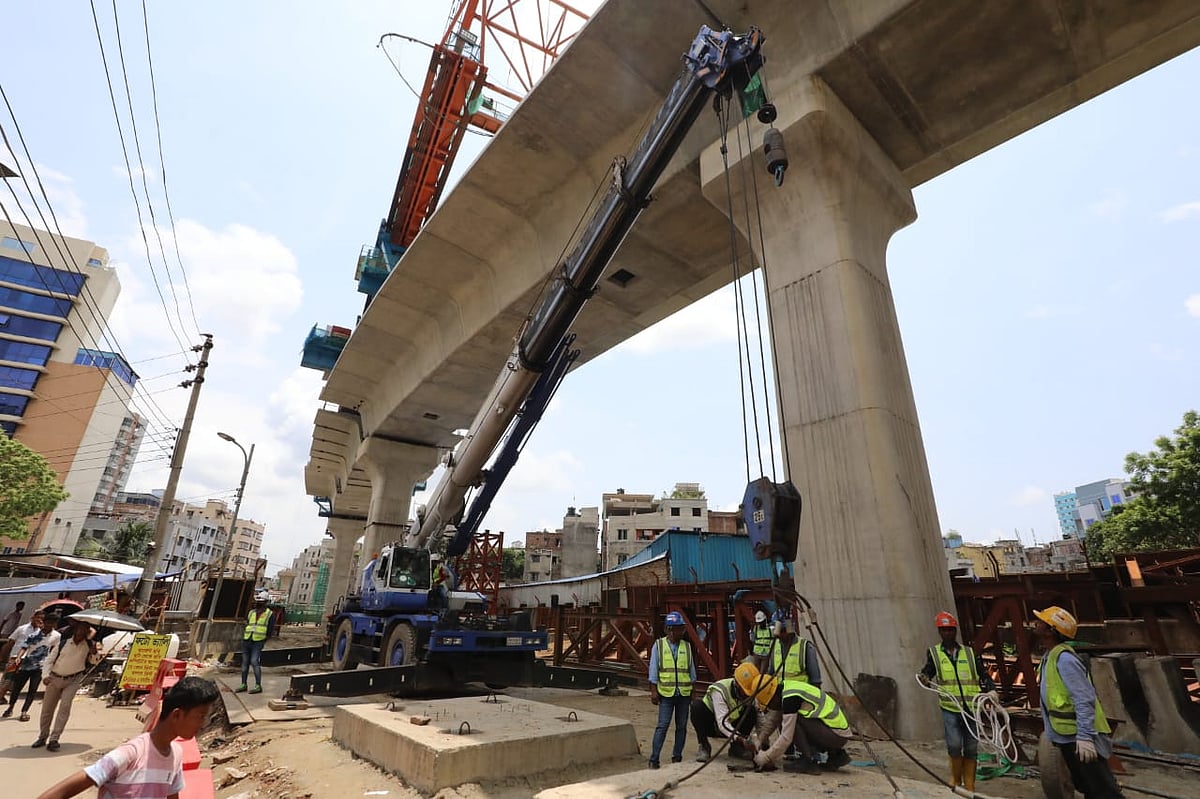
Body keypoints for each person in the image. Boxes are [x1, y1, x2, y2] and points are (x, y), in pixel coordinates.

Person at [35, 676, 221, 799]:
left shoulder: (176, 755)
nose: (203, 723)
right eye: (200, 715)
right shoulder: (131, 753)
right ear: (177, 715)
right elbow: (59, 792)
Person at [1034, 606, 1124, 799]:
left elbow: (1084, 699)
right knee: (1088, 787)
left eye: (1041, 622)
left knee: (1103, 791)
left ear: (1051, 631)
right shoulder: (1049, 657)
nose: (1036, 624)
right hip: (1066, 735)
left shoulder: (1065, 660)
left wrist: (1085, 736)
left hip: (1079, 737)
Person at [917, 610, 996, 792]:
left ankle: (969, 784)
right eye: (944, 630)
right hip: (950, 707)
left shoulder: (969, 654)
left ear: (955, 631)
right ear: (940, 632)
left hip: (970, 708)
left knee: (971, 746)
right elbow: (928, 671)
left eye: (950, 630)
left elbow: (983, 674)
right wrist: (924, 677)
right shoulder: (935, 654)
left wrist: (991, 690)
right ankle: (955, 778)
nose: (948, 633)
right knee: (954, 744)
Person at [750, 665, 853, 774]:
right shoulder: (785, 690)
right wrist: (760, 739)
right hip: (837, 732)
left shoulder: (790, 699)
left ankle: (806, 761)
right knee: (789, 718)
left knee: (795, 721)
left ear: (772, 698)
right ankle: (836, 755)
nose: (771, 708)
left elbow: (786, 738)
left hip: (835, 735)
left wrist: (765, 757)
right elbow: (774, 719)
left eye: (769, 705)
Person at [35, 617, 101, 751]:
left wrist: (95, 652)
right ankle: (42, 736)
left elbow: (94, 662)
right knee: (47, 709)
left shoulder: (89, 645)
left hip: (73, 680)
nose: (82, 632)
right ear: (75, 630)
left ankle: (54, 738)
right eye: (80, 628)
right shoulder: (63, 643)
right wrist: (46, 676)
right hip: (55, 678)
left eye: (85, 630)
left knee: (64, 708)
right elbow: (49, 660)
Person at [647, 610, 695, 769]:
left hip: (683, 694)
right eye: (679, 628)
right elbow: (653, 669)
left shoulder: (687, 647)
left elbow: (691, 671)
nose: (682, 631)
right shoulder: (659, 646)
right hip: (666, 694)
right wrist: (653, 691)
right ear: (670, 629)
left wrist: (692, 693)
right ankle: (654, 759)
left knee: (681, 727)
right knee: (663, 725)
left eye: (682, 628)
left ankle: (677, 757)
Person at [691, 663, 760, 762]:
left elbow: (760, 718)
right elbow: (722, 723)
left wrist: (762, 742)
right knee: (696, 707)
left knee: (752, 712)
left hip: (733, 725)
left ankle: (736, 749)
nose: (746, 695)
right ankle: (704, 746)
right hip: (713, 725)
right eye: (744, 692)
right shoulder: (720, 691)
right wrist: (741, 739)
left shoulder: (751, 693)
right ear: (737, 684)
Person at [4, 612, 59, 721]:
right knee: (17, 688)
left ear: (54, 624)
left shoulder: (56, 636)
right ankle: (11, 707)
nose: (49, 625)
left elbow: (54, 650)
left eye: (51, 623)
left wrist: (51, 664)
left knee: (32, 690)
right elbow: (24, 647)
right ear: (44, 622)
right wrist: (19, 657)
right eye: (47, 623)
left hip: (40, 667)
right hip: (26, 665)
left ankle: (24, 712)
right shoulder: (34, 635)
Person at [1, 608, 44, 704]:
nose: (39, 620)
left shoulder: (41, 632)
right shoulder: (22, 628)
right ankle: (1, 696)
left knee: (17, 681)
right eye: (38, 618)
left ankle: (10, 699)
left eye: (42, 619)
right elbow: (11, 642)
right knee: (7, 678)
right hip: (15, 656)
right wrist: (3, 656)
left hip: (29, 660)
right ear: (33, 618)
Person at [235, 590, 274, 694]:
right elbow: (248, 625)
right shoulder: (251, 612)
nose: (259, 602)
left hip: (258, 641)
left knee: (254, 661)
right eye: (259, 600)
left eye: (262, 601)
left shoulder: (269, 614)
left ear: (266, 602)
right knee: (244, 663)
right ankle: (243, 684)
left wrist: (264, 640)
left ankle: (258, 685)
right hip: (247, 640)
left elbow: (270, 630)